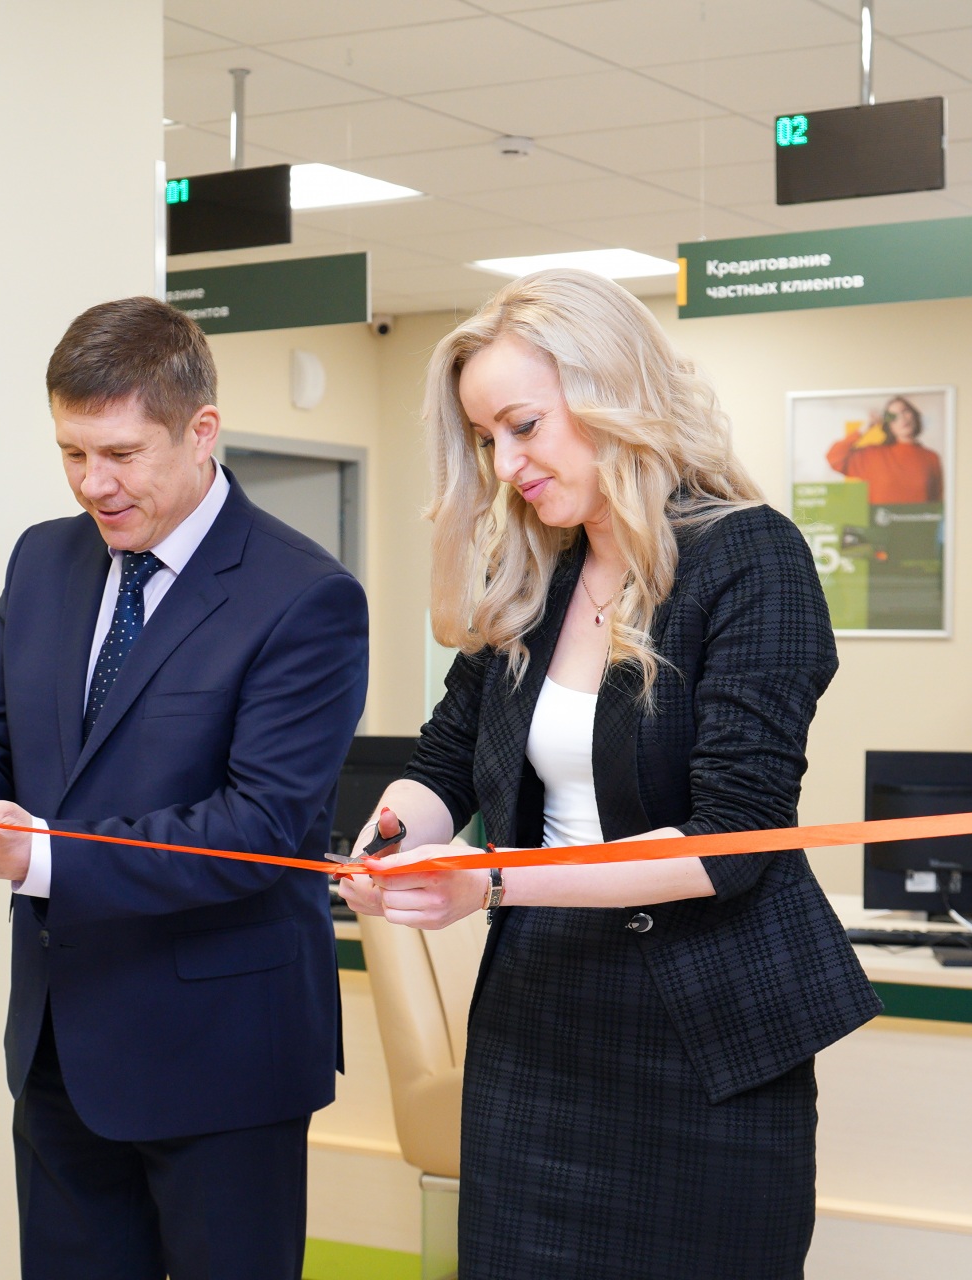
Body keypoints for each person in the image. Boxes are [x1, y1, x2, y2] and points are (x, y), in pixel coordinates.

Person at [340, 270, 880, 1279]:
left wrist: (489, 881)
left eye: (524, 426)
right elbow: (445, 760)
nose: (507, 464)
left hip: (707, 1041)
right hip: (540, 1021)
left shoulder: (750, 557)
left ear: (613, 393)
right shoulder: (533, 575)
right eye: (486, 439)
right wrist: (394, 835)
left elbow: (733, 843)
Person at [0, 296, 369, 1280]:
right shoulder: (44, 559)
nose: (93, 483)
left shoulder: (304, 595)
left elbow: (260, 826)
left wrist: (35, 856)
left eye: (121, 454)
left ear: (201, 431)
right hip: (60, 1047)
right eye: (71, 452)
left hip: (224, 1060)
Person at [824, 394, 942, 503]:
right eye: (893, 416)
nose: (902, 418)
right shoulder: (873, 455)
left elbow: (937, 501)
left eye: (905, 411)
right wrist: (865, 427)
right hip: (880, 519)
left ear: (914, 415)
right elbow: (834, 457)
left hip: (920, 519)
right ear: (888, 425)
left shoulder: (931, 457)